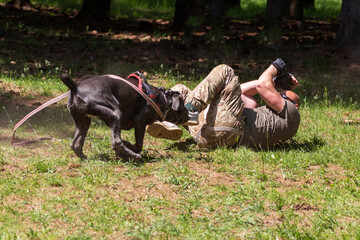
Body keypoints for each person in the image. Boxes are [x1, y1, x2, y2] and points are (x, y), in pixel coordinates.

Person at [146, 58, 300, 149]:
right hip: (209, 136)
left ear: (295, 105)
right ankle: (169, 122)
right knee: (181, 91)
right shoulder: (262, 116)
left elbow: (262, 85)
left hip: (230, 131)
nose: (275, 94)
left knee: (225, 71)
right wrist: (275, 82)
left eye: (281, 95)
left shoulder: (292, 113)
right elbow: (237, 91)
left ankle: (183, 113)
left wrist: (276, 67)